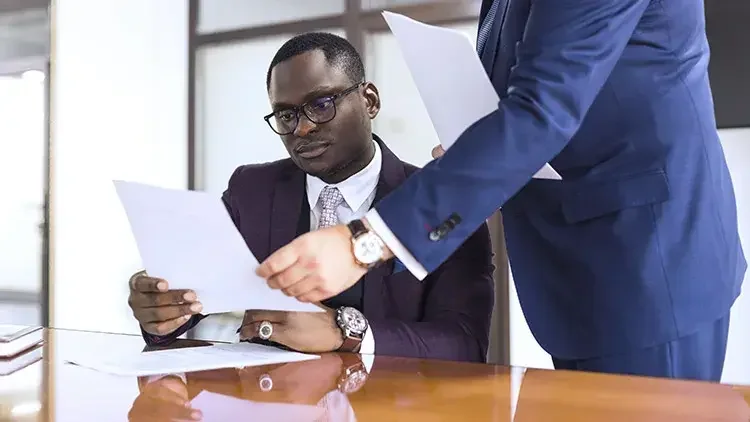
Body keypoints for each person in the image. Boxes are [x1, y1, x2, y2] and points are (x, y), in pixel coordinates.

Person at [257, 0, 747, 382]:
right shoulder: (255, 189)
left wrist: (364, 243)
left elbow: (541, 111)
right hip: (578, 270)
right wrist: (478, 148)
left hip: (647, 263)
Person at [127, 32, 495, 363]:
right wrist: (162, 312)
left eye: (321, 104)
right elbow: (194, 295)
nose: (302, 128)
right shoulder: (251, 190)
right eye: (285, 115)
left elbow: (465, 343)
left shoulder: (443, 200)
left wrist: (345, 333)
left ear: (369, 100)